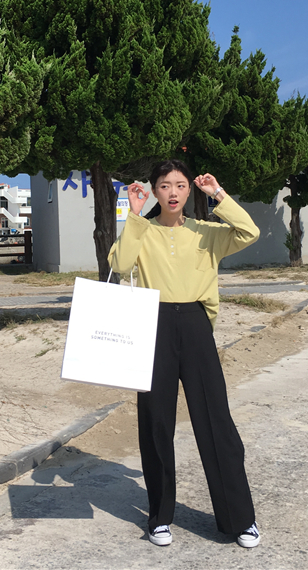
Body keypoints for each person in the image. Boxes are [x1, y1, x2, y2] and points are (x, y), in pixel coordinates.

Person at [108, 159, 261, 549]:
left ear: (190, 190)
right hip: (153, 324)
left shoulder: (206, 232)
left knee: (216, 420)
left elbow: (249, 231)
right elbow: (120, 264)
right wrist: (134, 214)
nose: (172, 192)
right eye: (164, 185)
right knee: (156, 422)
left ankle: (240, 519)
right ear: (154, 191)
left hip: (195, 324)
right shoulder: (143, 230)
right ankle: (159, 517)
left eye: (179, 185)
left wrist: (219, 194)